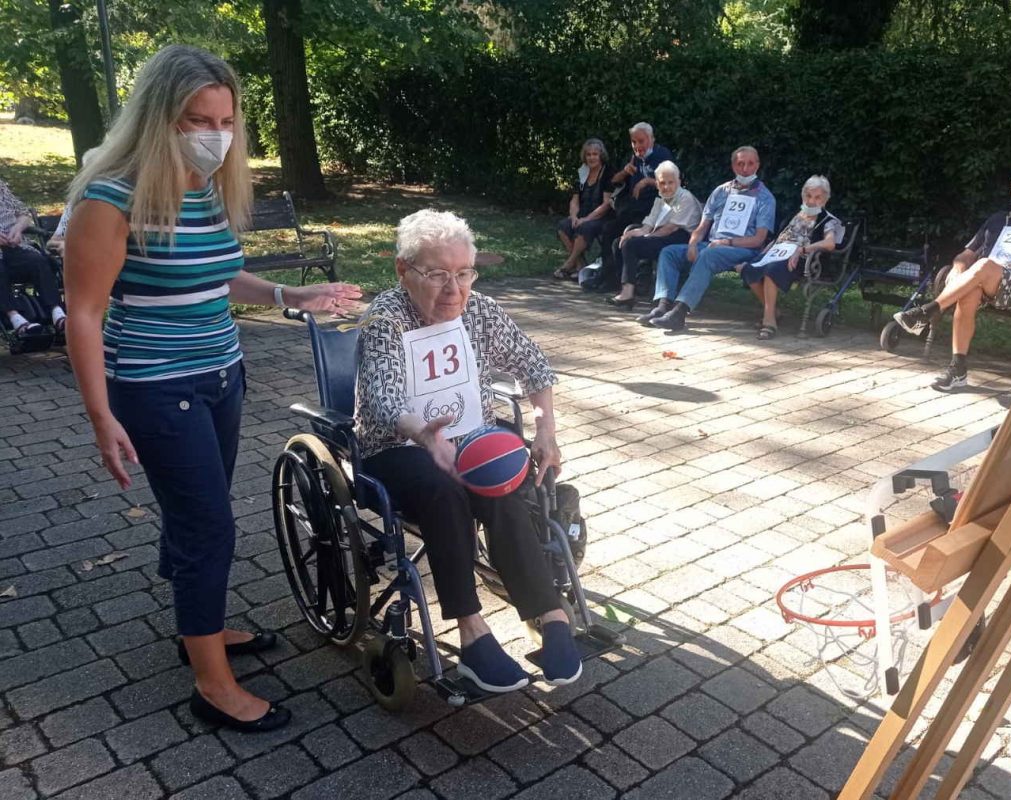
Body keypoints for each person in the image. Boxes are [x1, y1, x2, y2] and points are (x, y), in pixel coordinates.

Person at [64, 45, 362, 733]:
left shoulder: (205, 186)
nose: (215, 136)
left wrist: (293, 291)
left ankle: (200, 625)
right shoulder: (110, 198)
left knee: (201, 513)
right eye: (197, 119)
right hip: (153, 385)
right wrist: (99, 414)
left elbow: (221, 277)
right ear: (156, 117)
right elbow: (83, 311)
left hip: (223, 375)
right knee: (209, 526)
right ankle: (211, 682)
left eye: (226, 121)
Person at [355, 208, 583, 694]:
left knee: (502, 480)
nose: (452, 288)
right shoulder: (386, 319)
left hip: (470, 438)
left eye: (462, 273)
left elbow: (532, 363)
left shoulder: (479, 309)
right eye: (437, 274)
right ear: (403, 270)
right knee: (443, 488)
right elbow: (385, 398)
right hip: (397, 445)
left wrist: (546, 429)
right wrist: (426, 435)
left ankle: (551, 613)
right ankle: (472, 630)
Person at [893, 169, 1011, 391]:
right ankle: (958, 370)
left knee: (984, 265)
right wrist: (958, 267)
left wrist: (1004, 268)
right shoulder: (997, 219)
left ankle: (928, 311)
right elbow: (966, 254)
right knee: (970, 291)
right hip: (984, 281)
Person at [640, 146, 777, 332]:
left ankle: (679, 313)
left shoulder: (765, 197)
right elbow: (703, 226)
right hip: (712, 245)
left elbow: (759, 239)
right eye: (740, 163)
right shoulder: (721, 191)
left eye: (750, 163)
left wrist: (727, 242)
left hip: (744, 249)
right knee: (669, 252)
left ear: (758, 165)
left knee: (709, 255)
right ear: (733, 166)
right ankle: (662, 307)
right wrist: (693, 243)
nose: (745, 168)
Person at [736, 175, 843, 339]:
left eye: (817, 197)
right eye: (808, 196)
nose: (811, 201)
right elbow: (778, 238)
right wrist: (762, 256)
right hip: (777, 254)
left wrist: (802, 249)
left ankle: (769, 321)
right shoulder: (796, 215)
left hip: (804, 260)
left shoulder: (827, 220)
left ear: (825, 199)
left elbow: (830, 244)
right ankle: (774, 311)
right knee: (748, 268)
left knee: (771, 271)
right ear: (803, 195)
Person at [587, 122, 674, 292]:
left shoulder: (662, 156)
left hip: (654, 211)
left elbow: (672, 185)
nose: (637, 146)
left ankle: (639, 280)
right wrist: (626, 171)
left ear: (651, 139)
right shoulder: (635, 157)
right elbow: (614, 181)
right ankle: (609, 278)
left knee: (630, 231)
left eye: (641, 141)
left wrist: (647, 181)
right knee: (609, 229)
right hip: (634, 208)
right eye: (634, 142)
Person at [607, 160, 701, 309]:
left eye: (671, 182)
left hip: (682, 237)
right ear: (657, 183)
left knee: (631, 244)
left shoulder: (685, 198)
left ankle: (628, 294)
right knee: (619, 242)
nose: (667, 187)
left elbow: (670, 228)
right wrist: (631, 233)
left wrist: (644, 237)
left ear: (679, 181)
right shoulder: (660, 200)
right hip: (662, 234)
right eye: (662, 183)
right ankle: (627, 288)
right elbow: (647, 226)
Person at [0, 177, 67, 335]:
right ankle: (15, 317)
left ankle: (56, 312)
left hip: (14, 246)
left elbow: (23, 214)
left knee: (38, 261)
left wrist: (17, 228)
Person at [553, 138, 615, 280]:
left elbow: (607, 204)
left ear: (601, 155)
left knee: (584, 228)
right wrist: (574, 216)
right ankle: (580, 265)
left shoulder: (608, 173)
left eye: (595, 154)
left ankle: (568, 265)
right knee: (563, 226)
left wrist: (586, 219)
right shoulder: (582, 172)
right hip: (582, 215)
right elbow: (574, 199)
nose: (592, 157)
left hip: (602, 216)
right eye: (588, 154)